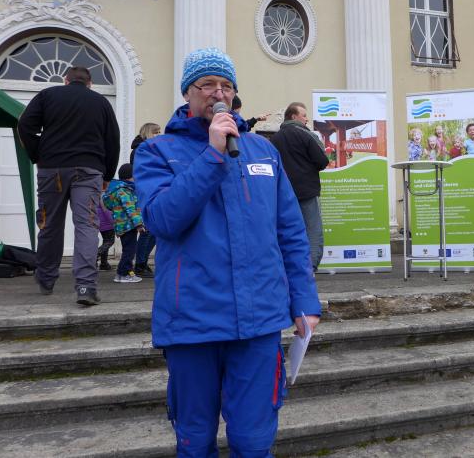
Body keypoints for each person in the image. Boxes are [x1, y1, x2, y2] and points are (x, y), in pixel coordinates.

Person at [134, 47, 321, 457]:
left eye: (226, 85)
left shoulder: (263, 151)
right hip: (192, 321)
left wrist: (305, 301)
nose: (218, 93)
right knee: (195, 440)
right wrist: (212, 155)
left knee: (254, 442)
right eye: (207, 85)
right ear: (188, 92)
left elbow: (290, 232)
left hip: (259, 322)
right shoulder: (157, 151)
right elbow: (163, 220)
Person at [17, 65, 120, 306]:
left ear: (66, 80)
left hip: (51, 168)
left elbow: (24, 125)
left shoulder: (47, 95)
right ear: (90, 83)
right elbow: (112, 140)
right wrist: (108, 174)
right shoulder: (101, 102)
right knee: (87, 225)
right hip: (89, 169)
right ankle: (86, 287)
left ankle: (46, 279)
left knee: (49, 224)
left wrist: (37, 154)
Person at [270, 102, 330, 272]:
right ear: (294, 116)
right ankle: (310, 268)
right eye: (304, 115)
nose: (306, 119)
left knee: (289, 231)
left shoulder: (274, 139)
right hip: (307, 192)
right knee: (312, 231)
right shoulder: (306, 135)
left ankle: (289, 268)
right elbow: (322, 161)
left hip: (284, 193)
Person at [102, 163, 144, 283]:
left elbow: (109, 206)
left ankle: (124, 273)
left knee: (128, 250)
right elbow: (130, 209)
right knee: (129, 251)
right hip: (128, 226)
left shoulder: (118, 189)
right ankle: (123, 273)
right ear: (130, 177)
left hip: (123, 225)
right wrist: (139, 224)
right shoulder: (124, 190)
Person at [130, 122, 161, 279]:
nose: (159, 135)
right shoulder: (141, 150)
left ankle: (142, 262)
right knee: (147, 230)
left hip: (153, 190)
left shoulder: (150, 149)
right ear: (148, 133)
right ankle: (140, 264)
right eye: (156, 132)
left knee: (153, 230)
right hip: (145, 191)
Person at [96, 201, 115, 271]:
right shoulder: (103, 196)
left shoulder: (97, 195)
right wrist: (112, 221)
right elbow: (105, 209)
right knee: (110, 241)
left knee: (106, 241)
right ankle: (96, 254)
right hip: (107, 221)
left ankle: (104, 264)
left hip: (100, 221)